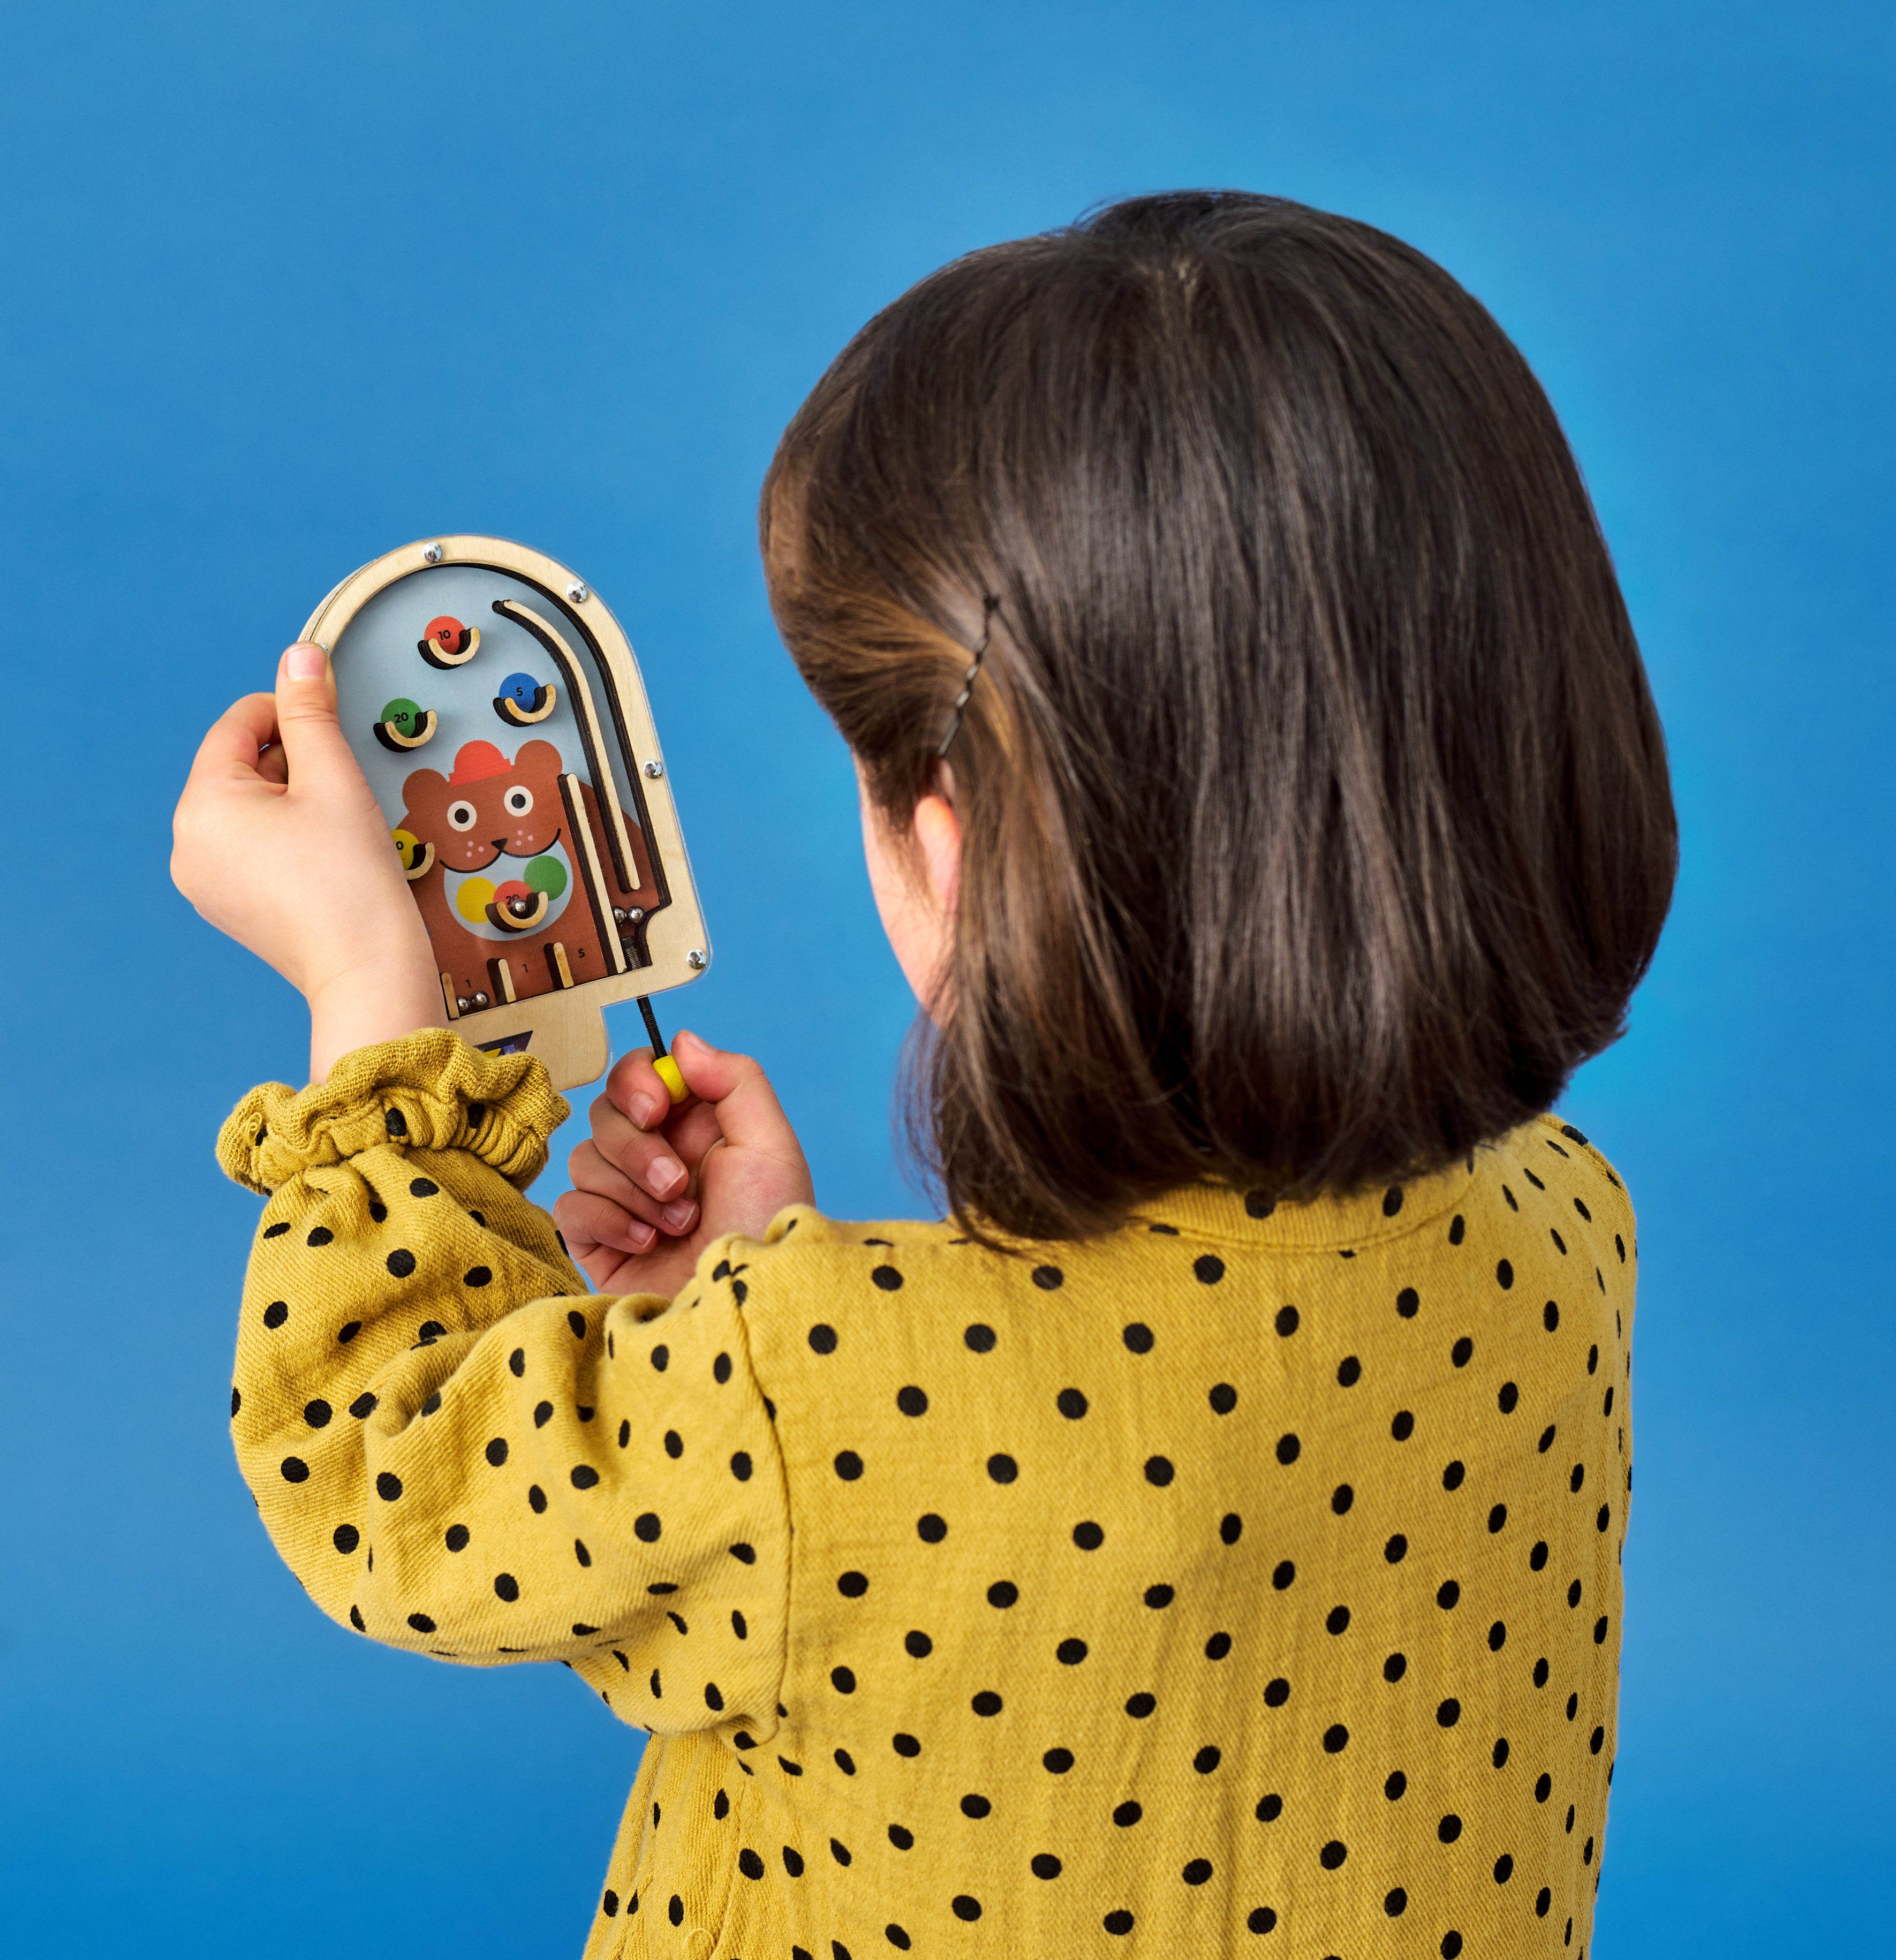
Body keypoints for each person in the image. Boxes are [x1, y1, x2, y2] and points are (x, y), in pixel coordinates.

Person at [171, 191, 1675, 1959]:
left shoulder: (801, 1391)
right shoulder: (1569, 1237)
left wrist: (374, 995)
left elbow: (389, 1474)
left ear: (946, 849)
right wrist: (764, 1295)